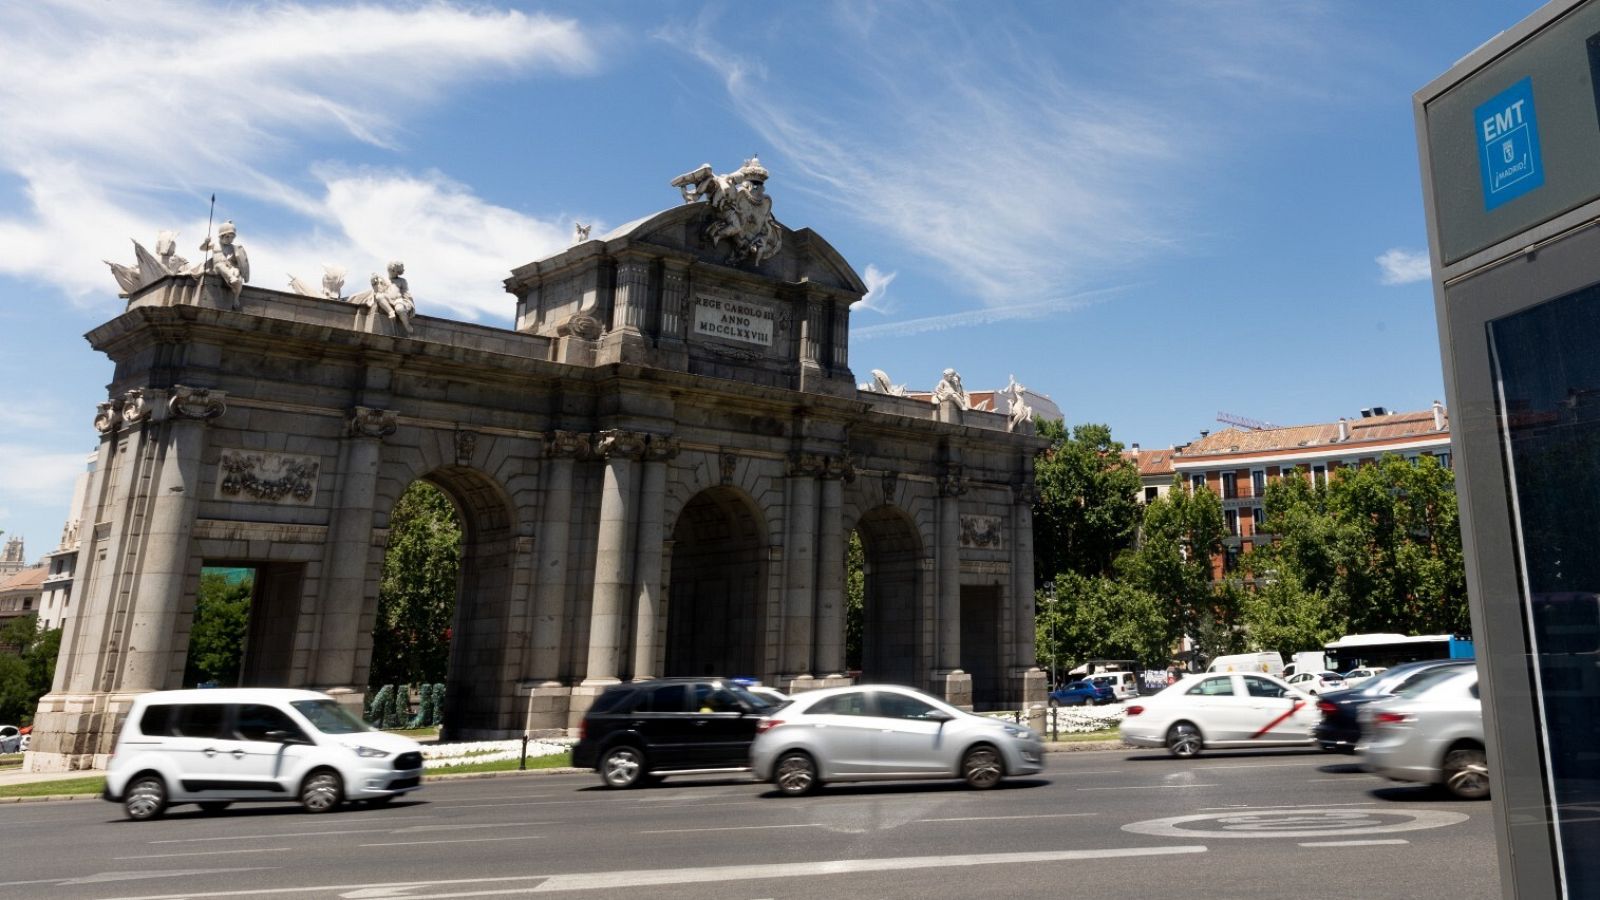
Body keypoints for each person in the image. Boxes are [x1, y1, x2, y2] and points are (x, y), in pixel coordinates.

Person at [198, 220, 250, 309]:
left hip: (229, 267)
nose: (230, 240)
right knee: (220, 266)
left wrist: (235, 263)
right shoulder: (215, 244)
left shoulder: (233, 248)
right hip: (216, 267)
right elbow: (202, 249)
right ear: (222, 236)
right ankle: (231, 278)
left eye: (232, 238)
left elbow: (239, 261)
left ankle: (236, 298)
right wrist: (206, 242)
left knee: (237, 275)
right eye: (228, 237)